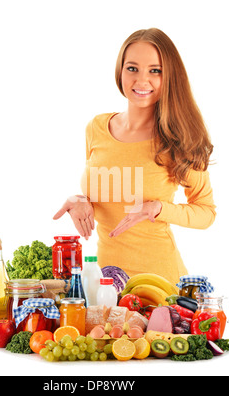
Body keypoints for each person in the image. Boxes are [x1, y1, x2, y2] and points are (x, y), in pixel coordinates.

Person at [53, 28, 216, 286]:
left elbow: (206, 212)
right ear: (120, 71)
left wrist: (159, 208)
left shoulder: (179, 138)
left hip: (161, 285)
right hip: (106, 283)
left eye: (155, 70)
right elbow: (111, 192)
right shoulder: (96, 128)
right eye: (132, 68)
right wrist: (81, 201)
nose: (141, 81)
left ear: (169, 76)